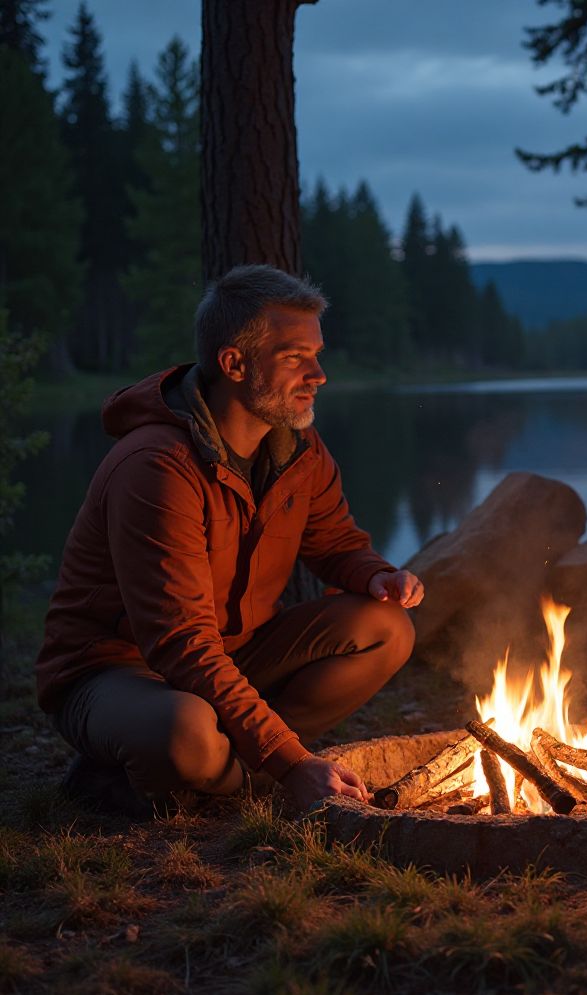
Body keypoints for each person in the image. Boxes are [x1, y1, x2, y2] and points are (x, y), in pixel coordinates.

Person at [36, 264, 423, 816]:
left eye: (317, 354)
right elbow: (180, 644)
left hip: (234, 654)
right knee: (184, 729)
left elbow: (335, 543)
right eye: (295, 357)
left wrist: (375, 574)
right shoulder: (156, 467)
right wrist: (290, 762)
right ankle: (232, 773)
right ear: (234, 363)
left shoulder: (298, 450)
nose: (319, 374)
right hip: (117, 668)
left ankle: (228, 768)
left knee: (385, 626)